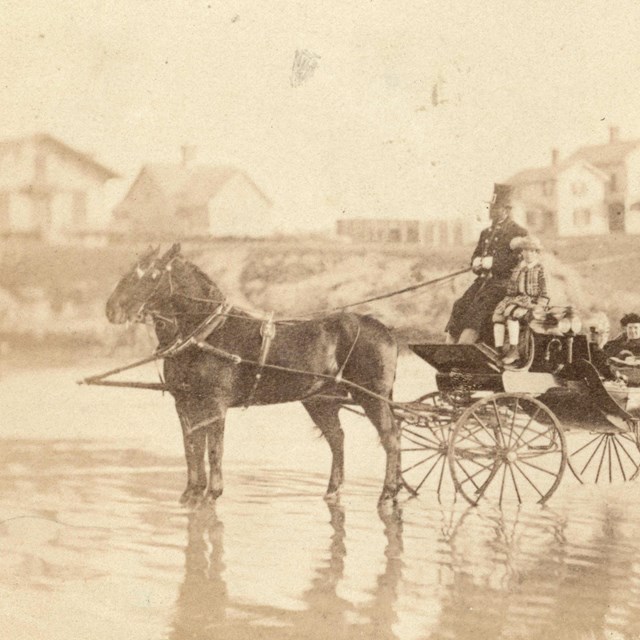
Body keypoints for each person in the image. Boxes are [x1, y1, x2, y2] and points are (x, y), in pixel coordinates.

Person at [445, 183, 527, 344]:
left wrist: (494, 263)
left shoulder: (518, 232)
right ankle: (450, 346)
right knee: (460, 305)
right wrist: (476, 262)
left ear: (506, 210)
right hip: (483, 282)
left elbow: (518, 261)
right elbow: (476, 254)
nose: (492, 211)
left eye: (496, 208)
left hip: (503, 285)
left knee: (478, 308)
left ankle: (464, 348)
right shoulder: (486, 232)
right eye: (491, 207)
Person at [492, 235, 547, 364]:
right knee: (497, 316)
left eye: (532, 251)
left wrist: (539, 307)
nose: (528, 254)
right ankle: (499, 350)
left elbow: (545, 293)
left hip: (532, 302)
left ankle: (514, 350)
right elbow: (511, 290)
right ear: (522, 252)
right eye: (525, 250)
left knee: (513, 315)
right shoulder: (518, 268)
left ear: (537, 253)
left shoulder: (540, 269)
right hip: (516, 299)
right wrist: (507, 301)